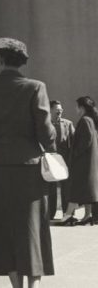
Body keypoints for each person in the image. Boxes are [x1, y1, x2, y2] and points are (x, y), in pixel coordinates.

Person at [0, 38, 56, 288]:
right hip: (28, 169)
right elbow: (46, 133)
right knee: (31, 228)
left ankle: (16, 286)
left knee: (3, 229)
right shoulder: (35, 87)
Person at [58, 96, 98, 226]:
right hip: (89, 162)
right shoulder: (91, 120)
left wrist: (74, 154)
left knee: (75, 188)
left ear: (81, 108)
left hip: (82, 162)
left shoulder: (85, 120)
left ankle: (68, 215)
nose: (76, 109)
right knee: (87, 190)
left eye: (77, 106)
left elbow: (85, 140)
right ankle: (87, 216)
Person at [48, 100, 75, 219]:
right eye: (57, 110)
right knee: (51, 188)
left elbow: (74, 142)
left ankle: (67, 213)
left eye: (61, 110)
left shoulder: (68, 124)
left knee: (66, 187)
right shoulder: (45, 123)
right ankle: (50, 214)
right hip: (50, 160)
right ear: (50, 110)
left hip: (64, 161)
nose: (60, 112)